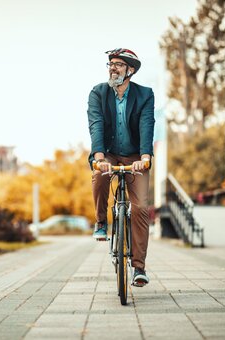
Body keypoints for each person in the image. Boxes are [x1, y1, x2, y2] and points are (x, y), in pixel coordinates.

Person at [87, 48, 155, 287]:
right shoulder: (98, 93)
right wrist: (99, 157)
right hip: (109, 153)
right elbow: (95, 124)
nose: (112, 67)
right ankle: (101, 222)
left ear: (130, 70)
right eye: (110, 64)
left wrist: (145, 156)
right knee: (100, 175)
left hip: (136, 155)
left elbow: (147, 124)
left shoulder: (145, 95)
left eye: (118, 64)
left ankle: (139, 268)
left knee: (139, 209)